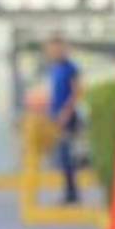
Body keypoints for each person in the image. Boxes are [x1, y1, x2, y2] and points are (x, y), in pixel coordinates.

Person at [45, 34, 82, 204]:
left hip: (67, 117)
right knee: (61, 156)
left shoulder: (70, 68)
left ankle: (72, 193)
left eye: (56, 48)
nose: (53, 52)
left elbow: (76, 92)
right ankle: (68, 191)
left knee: (67, 155)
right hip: (55, 116)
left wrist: (66, 113)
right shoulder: (54, 68)